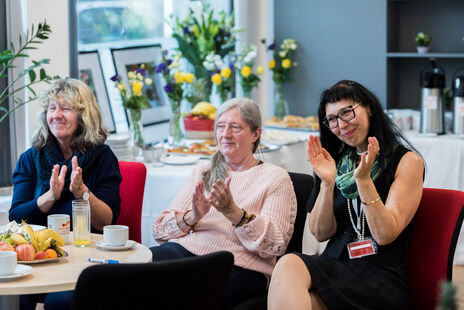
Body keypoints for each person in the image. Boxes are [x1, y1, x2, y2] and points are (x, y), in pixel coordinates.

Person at [268, 80, 424, 310]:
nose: (341, 125)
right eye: (332, 119)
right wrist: (328, 184)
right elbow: (321, 233)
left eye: (347, 113)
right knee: (291, 282)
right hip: (337, 267)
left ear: (369, 108)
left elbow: (385, 234)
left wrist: (363, 180)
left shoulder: (407, 161)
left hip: (379, 276)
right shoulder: (338, 164)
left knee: (291, 264)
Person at [151, 97, 297, 308]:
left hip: (239, 265)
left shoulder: (275, 177)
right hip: (185, 253)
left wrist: (234, 213)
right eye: (220, 126)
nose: (225, 134)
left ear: (256, 134)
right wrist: (192, 217)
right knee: (132, 273)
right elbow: (160, 231)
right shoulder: (202, 171)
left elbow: (275, 244)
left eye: (235, 127)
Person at [9, 78, 122, 310]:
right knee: (15, 292)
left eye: (66, 108)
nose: (56, 115)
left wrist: (83, 193)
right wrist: (50, 196)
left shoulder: (103, 157)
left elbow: (108, 221)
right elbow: (16, 216)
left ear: (83, 115)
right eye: (52, 108)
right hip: (40, 258)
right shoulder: (31, 158)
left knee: (60, 300)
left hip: (85, 259)